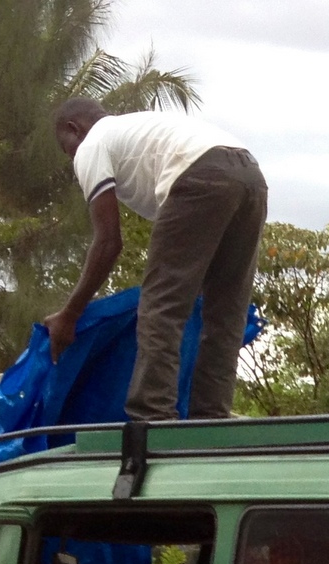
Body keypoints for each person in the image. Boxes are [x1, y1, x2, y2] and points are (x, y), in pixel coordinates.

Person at [49, 99, 267, 423]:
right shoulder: (135, 131)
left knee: (161, 305)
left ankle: (153, 416)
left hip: (199, 172)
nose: (71, 157)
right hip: (251, 176)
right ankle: (210, 418)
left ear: (74, 129)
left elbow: (108, 243)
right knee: (226, 312)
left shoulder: (92, 143)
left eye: (65, 148)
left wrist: (69, 315)